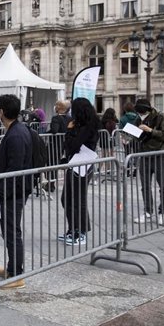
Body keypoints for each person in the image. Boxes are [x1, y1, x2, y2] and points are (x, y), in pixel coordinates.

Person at [0, 94, 32, 289]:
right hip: (17, 190)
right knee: (9, 230)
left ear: (1, 112)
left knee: (12, 232)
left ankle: (16, 275)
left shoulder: (15, 134)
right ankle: (12, 267)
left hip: (14, 191)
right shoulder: (18, 130)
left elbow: (14, 169)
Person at [60, 98, 100, 246]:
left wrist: (70, 130)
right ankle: (73, 229)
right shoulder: (81, 125)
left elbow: (73, 146)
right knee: (67, 199)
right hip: (75, 164)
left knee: (78, 199)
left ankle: (80, 232)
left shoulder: (89, 126)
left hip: (83, 165)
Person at [132, 98, 164, 226]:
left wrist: (150, 130)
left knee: (163, 186)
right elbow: (137, 135)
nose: (141, 115)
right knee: (145, 186)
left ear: (148, 110)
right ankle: (148, 211)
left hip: (159, 155)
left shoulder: (161, 116)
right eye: (139, 113)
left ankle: (163, 213)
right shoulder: (138, 118)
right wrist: (129, 136)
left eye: (142, 113)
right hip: (144, 155)